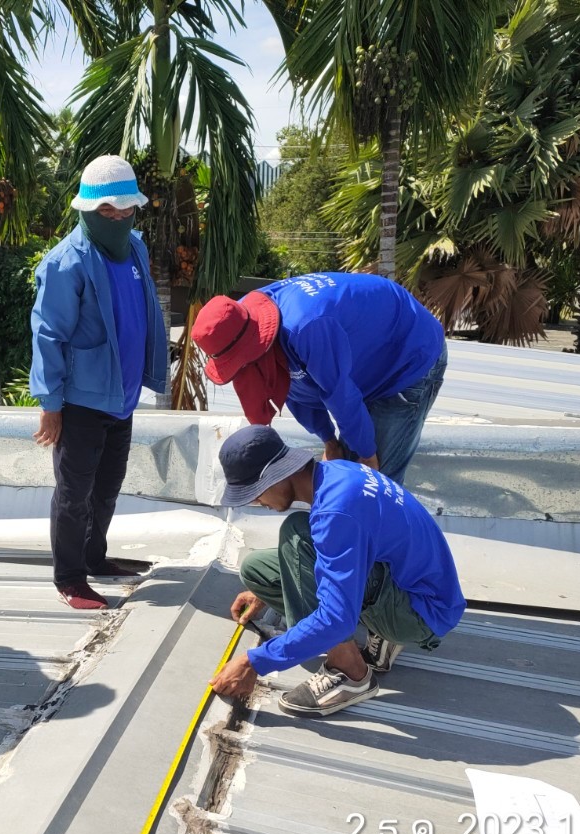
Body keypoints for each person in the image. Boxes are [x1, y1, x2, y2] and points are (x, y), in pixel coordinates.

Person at [209, 424, 466, 716]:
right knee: (257, 570)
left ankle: (350, 673)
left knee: (297, 536)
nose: (257, 502)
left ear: (277, 475)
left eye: (255, 493)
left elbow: (337, 620)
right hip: (415, 588)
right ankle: (379, 630)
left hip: (422, 614)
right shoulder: (337, 473)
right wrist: (276, 587)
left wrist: (253, 662)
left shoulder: (337, 512)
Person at [29, 155, 169, 610]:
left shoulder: (136, 249)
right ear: (88, 209)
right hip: (81, 402)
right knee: (74, 494)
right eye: (106, 210)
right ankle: (70, 579)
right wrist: (51, 405)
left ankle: (94, 558)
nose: (117, 217)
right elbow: (47, 334)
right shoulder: (65, 263)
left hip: (122, 397)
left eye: (125, 209)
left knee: (107, 488)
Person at [192, 272, 447, 484]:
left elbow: (340, 394)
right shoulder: (238, 318)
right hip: (363, 360)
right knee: (349, 470)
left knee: (375, 484)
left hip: (408, 352)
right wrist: (329, 440)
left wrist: (368, 454)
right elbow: (289, 383)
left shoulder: (306, 326)